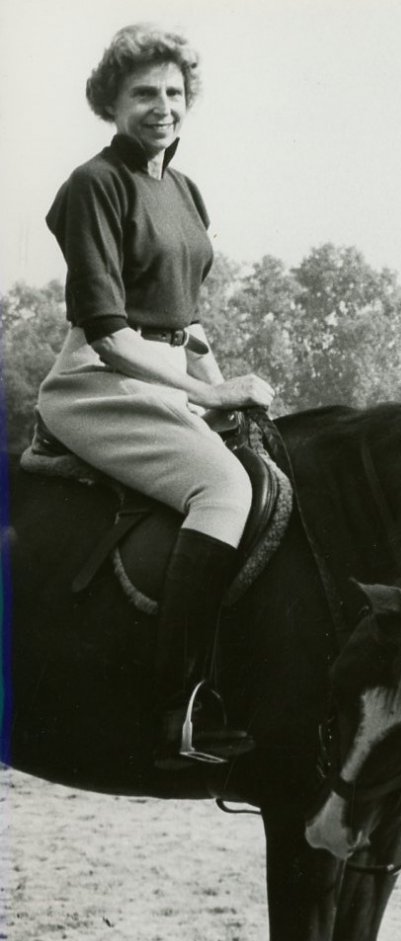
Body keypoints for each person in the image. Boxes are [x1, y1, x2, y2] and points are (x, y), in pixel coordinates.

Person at [35, 24, 276, 769]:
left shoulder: (184, 189)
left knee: (275, 464)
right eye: (144, 93)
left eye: (174, 93)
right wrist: (208, 391)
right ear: (111, 101)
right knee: (225, 491)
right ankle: (175, 706)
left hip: (165, 376)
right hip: (99, 383)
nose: (162, 106)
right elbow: (111, 336)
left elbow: (186, 322)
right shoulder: (94, 185)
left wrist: (222, 387)